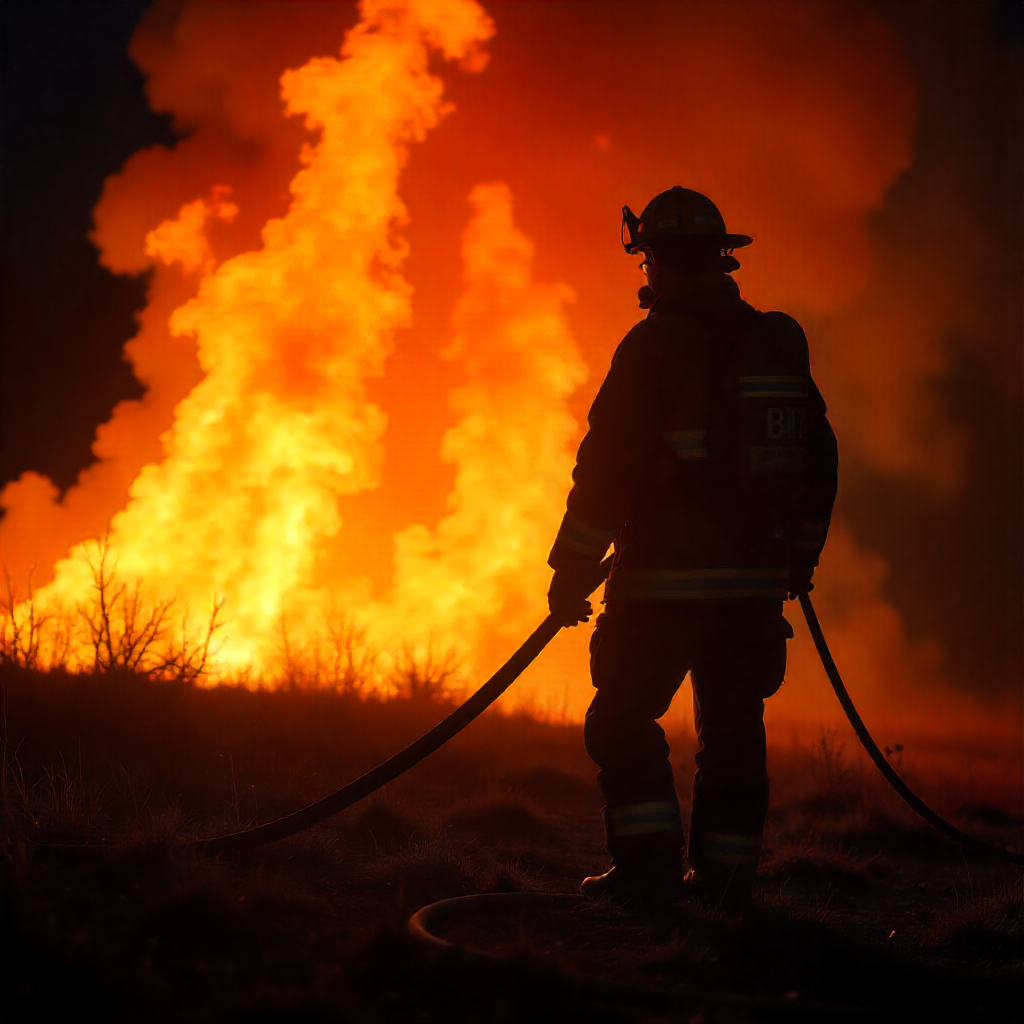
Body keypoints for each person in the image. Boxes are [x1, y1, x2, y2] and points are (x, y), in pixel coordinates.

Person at [547, 186, 838, 909]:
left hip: (663, 586)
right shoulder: (776, 340)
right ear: (720, 259)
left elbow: (607, 466)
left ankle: (646, 875)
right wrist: (797, 559)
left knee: (620, 718)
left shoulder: (654, 346)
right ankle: (725, 881)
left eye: (646, 260)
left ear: (658, 263)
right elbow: (819, 459)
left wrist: (572, 568)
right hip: (752, 586)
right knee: (735, 729)